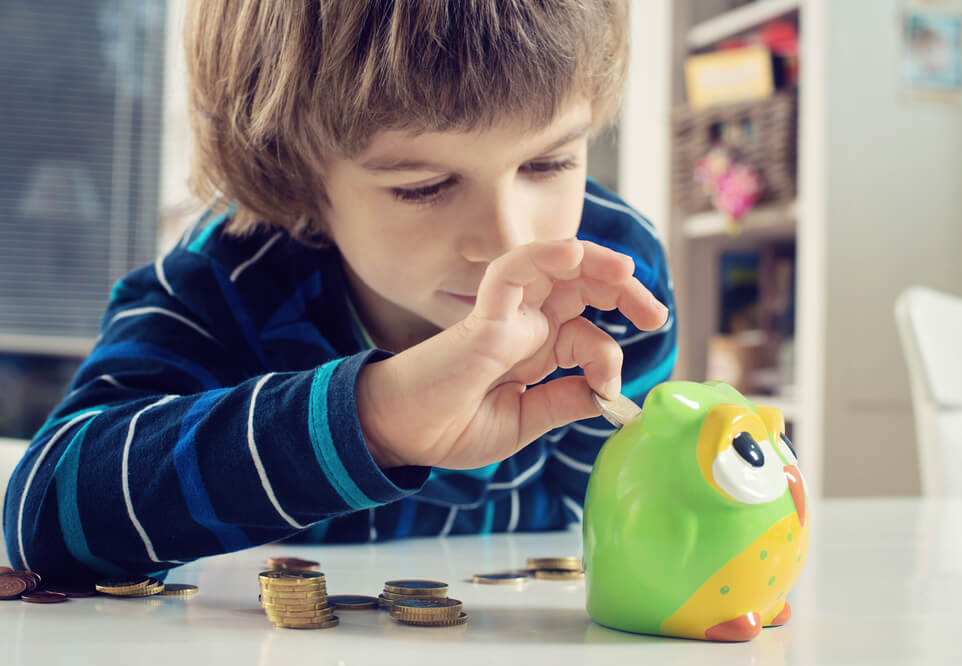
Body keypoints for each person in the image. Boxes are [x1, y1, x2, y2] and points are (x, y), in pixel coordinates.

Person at [2, 0, 677, 582]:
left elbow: (618, 516)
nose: (507, 241)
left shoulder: (614, 280)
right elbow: (45, 515)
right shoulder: (228, 282)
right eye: (423, 186)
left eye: (549, 161)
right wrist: (376, 421)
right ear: (294, 174)